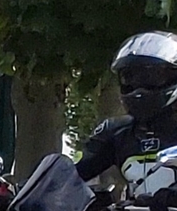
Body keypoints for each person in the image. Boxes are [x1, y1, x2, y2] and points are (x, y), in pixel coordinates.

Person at [75, 32, 177, 186]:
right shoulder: (118, 132)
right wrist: (33, 192)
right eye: (129, 78)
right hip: (136, 210)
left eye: (149, 77)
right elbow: (74, 175)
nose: (138, 88)